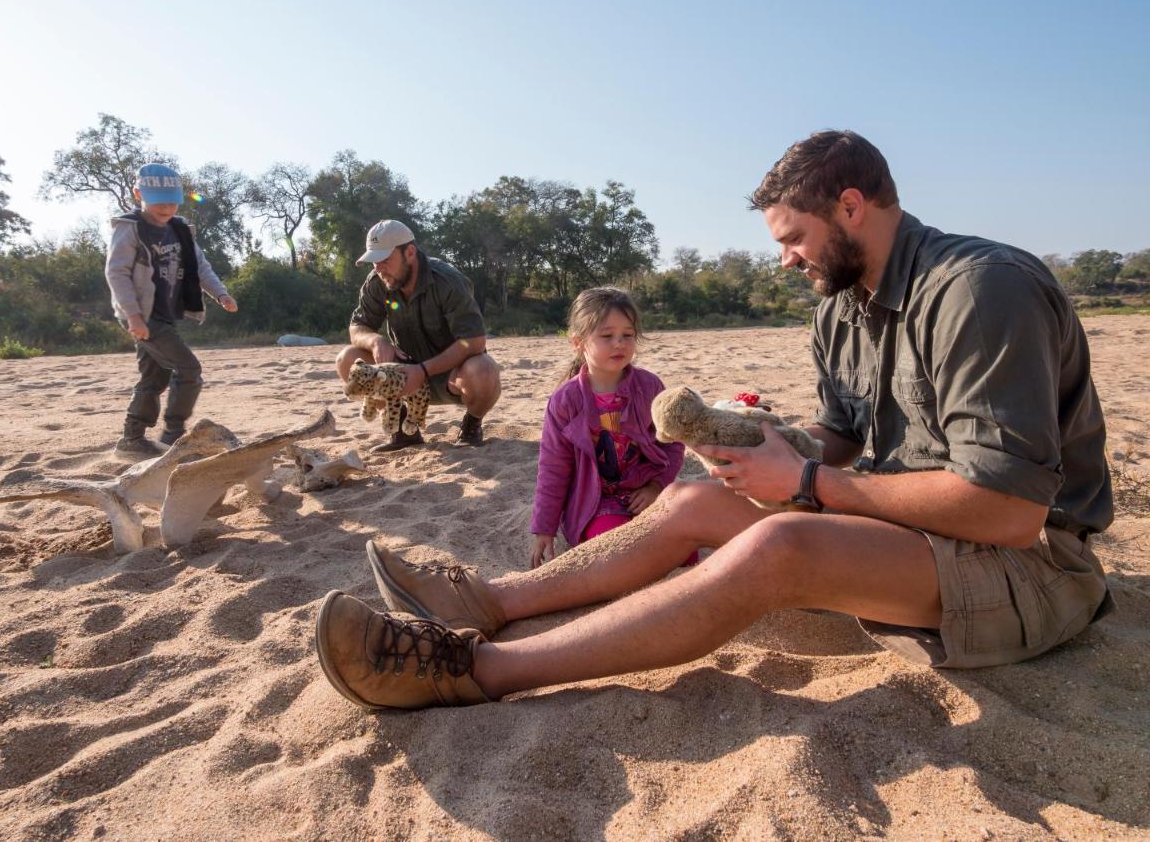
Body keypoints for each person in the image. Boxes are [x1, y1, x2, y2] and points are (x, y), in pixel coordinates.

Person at [315, 130, 1114, 710]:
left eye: (794, 238)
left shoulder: (980, 290)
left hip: (1027, 569)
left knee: (783, 541)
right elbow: (840, 440)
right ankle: (489, 602)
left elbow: (1008, 512)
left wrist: (804, 482)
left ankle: (476, 672)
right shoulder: (842, 307)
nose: (786, 260)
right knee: (695, 502)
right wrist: (756, 445)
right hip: (924, 539)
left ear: (851, 206)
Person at [529, 287, 685, 568]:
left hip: (646, 493)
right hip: (595, 505)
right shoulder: (566, 400)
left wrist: (656, 486)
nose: (619, 343)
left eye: (627, 335)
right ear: (578, 342)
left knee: (686, 551)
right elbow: (553, 468)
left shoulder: (649, 387)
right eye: (606, 335)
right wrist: (545, 528)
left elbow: (672, 444)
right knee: (619, 550)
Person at [105, 164, 237, 458]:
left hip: (163, 313)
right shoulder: (129, 230)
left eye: (172, 200)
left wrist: (220, 293)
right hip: (141, 314)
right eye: (158, 200)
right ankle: (173, 434)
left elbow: (200, 266)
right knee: (189, 369)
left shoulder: (180, 230)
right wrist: (134, 316)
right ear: (138, 193)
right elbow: (117, 273)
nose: (166, 207)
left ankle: (131, 440)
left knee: (154, 376)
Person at [336, 219, 501, 451]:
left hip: (453, 377)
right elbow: (357, 327)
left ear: (410, 252)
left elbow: (473, 341)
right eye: (374, 262)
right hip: (401, 376)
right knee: (348, 360)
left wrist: (423, 371)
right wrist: (376, 340)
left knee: (484, 370)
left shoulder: (448, 281)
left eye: (384, 259)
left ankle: (471, 426)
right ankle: (404, 431)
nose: (378, 268)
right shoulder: (378, 282)